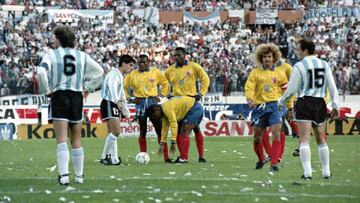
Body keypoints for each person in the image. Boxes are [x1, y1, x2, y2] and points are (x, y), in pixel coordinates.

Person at [36, 25, 104, 185]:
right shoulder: (82, 56)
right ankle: (79, 177)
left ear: (59, 39)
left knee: (61, 139)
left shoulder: (52, 55)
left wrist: (46, 90)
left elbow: (40, 72)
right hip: (76, 96)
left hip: (59, 95)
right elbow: (100, 72)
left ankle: (64, 176)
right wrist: (88, 88)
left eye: (54, 38)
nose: (53, 41)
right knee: (76, 140)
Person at [278, 39, 339, 180]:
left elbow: (292, 89)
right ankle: (326, 173)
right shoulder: (324, 64)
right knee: (321, 139)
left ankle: (307, 174)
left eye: (298, 49)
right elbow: (332, 86)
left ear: (305, 50)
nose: (296, 52)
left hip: (305, 102)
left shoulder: (299, 66)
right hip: (320, 103)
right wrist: (335, 105)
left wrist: (282, 101)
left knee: (304, 140)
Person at [245, 43, 293, 172]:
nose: (267, 59)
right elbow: (249, 88)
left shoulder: (280, 74)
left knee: (276, 134)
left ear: (274, 58)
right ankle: (261, 159)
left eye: (269, 56)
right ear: (261, 58)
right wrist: (250, 99)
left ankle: (274, 164)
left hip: (275, 107)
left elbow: (286, 92)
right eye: (265, 56)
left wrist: (290, 107)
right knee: (257, 138)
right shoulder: (255, 73)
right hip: (260, 108)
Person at [165, 47, 210, 163]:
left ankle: (190, 157)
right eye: (175, 55)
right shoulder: (169, 70)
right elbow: (164, 84)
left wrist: (201, 93)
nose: (177, 57)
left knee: (189, 129)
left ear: (185, 55)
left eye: (179, 55)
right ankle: (185, 156)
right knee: (184, 129)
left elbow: (205, 79)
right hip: (178, 103)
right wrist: (167, 94)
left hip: (191, 102)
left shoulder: (194, 66)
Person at [124, 54, 171, 163]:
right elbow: (123, 88)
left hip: (152, 103)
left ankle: (166, 157)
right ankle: (143, 155)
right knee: (143, 130)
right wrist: (130, 99)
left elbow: (165, 83)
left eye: (144, 62)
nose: (142, 64)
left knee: (159, 130)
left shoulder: (155, 72)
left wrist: (160, 96)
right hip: (139, 102)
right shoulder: (132, 75)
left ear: (148, 62)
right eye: (139, 63)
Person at [99, 54, 135, 165]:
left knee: (113, 133)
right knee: (116, 132)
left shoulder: (119, 75)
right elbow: (112, 87)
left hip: (112, 103)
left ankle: (114, 159)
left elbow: (122, 95)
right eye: (131, 65)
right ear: (123, 63)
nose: (132, 68)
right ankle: (104, 157)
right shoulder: (114, 74)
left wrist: (126, 114)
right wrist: (117, 102)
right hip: (109, 102)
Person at [146, 96, 203, 163]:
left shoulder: (167, 108)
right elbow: (165, 128)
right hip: (192, 107)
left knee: (184, 131)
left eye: (154, 115)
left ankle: (183, 159)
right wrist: (162, 143)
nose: (155, 117)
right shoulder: (164, 112)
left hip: (194, 108)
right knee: (196, 129)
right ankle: (201, 158)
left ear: (157, 110)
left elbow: (173, 123)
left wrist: (173, 142)